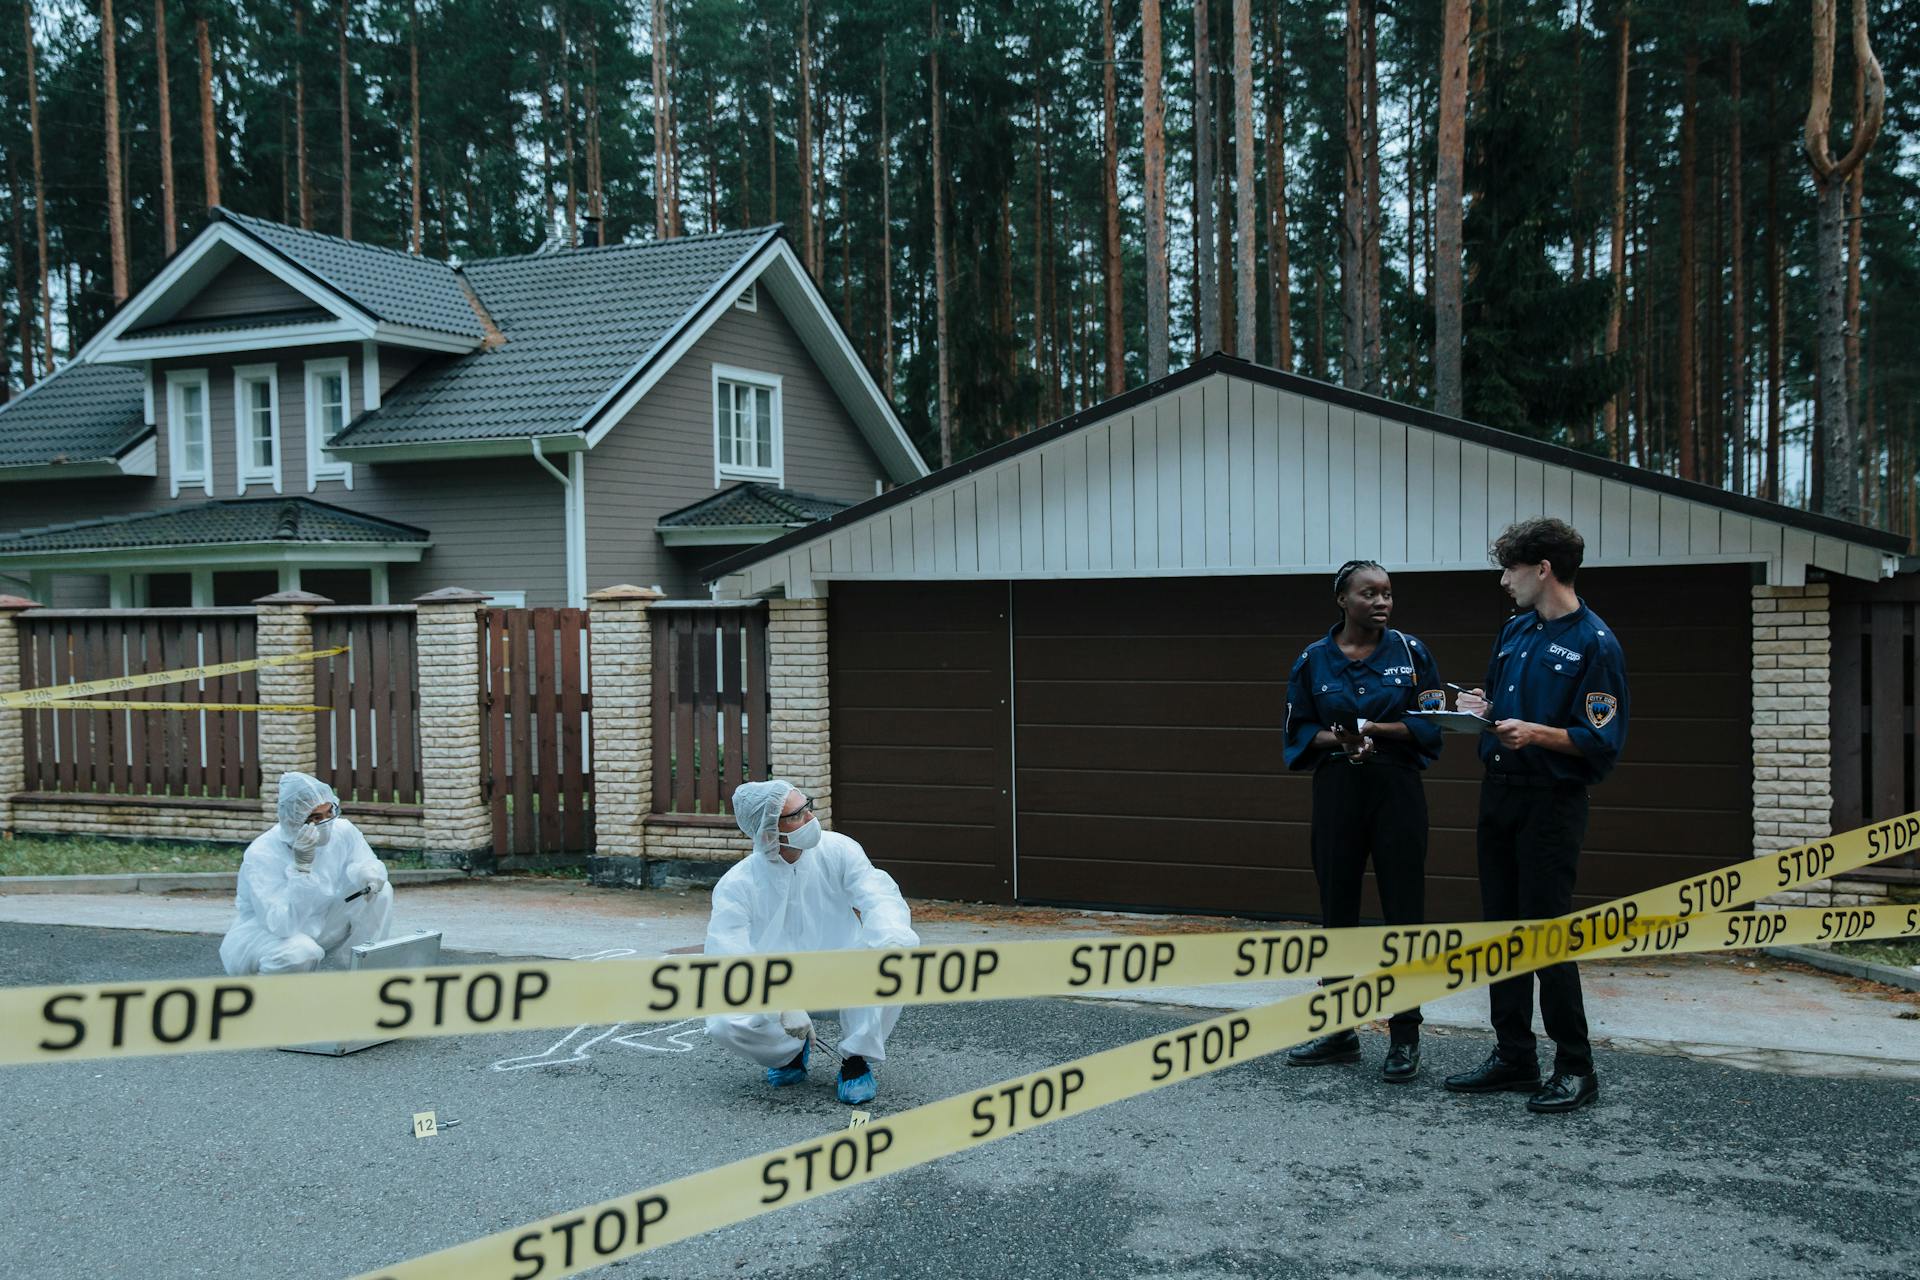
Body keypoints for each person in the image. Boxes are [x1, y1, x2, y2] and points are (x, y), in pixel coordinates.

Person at [1446, 517, 1629, 1115]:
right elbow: (1503, 706)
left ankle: (1575, 1068)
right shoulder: (1514, 632)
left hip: (1551, 805)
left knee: (1546, 936)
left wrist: (1539, 734)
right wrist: (1481, 707)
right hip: (1498, 793)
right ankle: (1513, 1056)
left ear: (1542, 569)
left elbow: (1600, 742)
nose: (1504, 581)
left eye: (1510, 569)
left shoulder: (1596, 643)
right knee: (1501, 930)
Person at [1281, 560, 1447, 1083]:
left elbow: (1430, 721)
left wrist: (1376, 728)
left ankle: (1405, 1037)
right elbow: (1299, 729)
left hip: (1396, 788)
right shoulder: (1312, 660)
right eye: (1369, 593)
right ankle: (1338, 1032)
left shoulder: (1412, 653)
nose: (1381, 602)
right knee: (1337, 909)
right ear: (1342, 600)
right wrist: (1344, 740)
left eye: (1388, 594)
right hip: (1337, 789)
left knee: (1403, 910)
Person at [704, 780, 919, 1105]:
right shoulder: (737, 885)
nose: (810, 819)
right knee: (723, 1021)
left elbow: (878, 898)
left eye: (808, 807)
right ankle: (787, 1053)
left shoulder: (838, 850)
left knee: (897, 955)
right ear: (767, 832)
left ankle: (855, 1060)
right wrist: (777, 1002)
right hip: (778, 981)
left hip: (844, 973)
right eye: (796, 815)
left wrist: (891, 945)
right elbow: (728, 958)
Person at [219, 772, 392, 976]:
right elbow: (282, 925)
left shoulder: (342, 831)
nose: (327, 823)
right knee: (301, 953)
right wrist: (301, 870)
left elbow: (364, 860)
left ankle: (359, 975)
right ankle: (265, 999)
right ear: (294, 819)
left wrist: (369, 872)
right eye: (316, 818)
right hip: (266, 938)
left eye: (329, 813)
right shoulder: (263, 853)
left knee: (380, 892)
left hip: (316, 924)